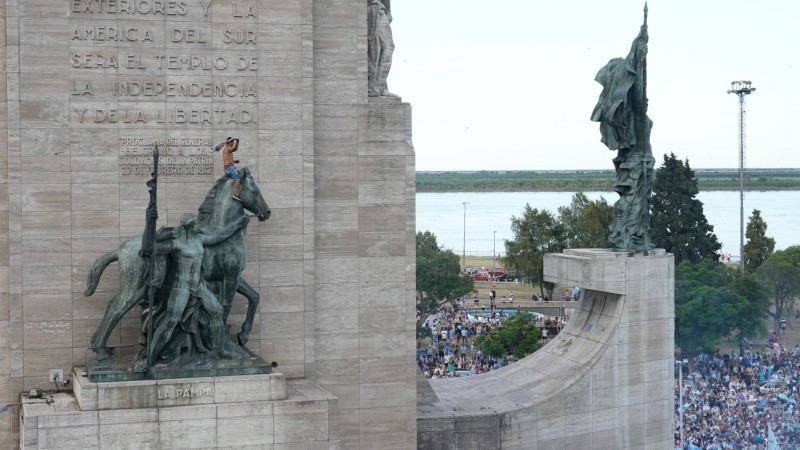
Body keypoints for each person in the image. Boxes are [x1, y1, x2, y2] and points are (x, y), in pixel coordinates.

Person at [147, 213, 250, 366]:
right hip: (181, 288)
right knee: (170, 321)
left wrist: (238, 224)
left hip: (198, 287)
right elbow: (151, 246)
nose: (198, 225)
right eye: (196, 223)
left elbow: (218, 236)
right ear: (189, 226)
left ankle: (220, 350)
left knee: (217, 311)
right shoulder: (177, 243)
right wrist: (160, 230)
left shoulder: (200, 239)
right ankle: (149, 359)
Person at [367, 0, 397, 97]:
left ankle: (379, 86)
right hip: (374, 7)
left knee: (381, 48)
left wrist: (388, 11)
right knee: (380, 48)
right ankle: (376, 86)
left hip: (378, 8)